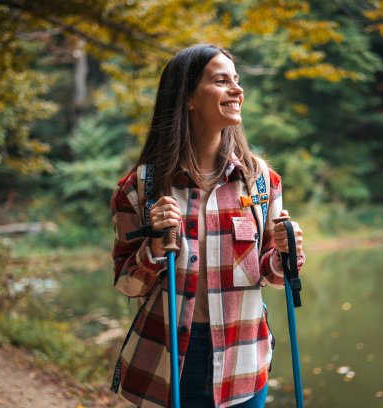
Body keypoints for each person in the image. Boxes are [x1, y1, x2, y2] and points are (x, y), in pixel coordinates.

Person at [111, 44, 304, 408]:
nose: (237, 89)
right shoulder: (141, 188)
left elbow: (273, 276)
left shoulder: (260, 182)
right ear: (188, 98)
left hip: (243, 359)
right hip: (166, 362)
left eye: (237, 80)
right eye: (221, 80)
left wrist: (284, 252)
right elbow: (126, 284)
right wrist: (153, 247)